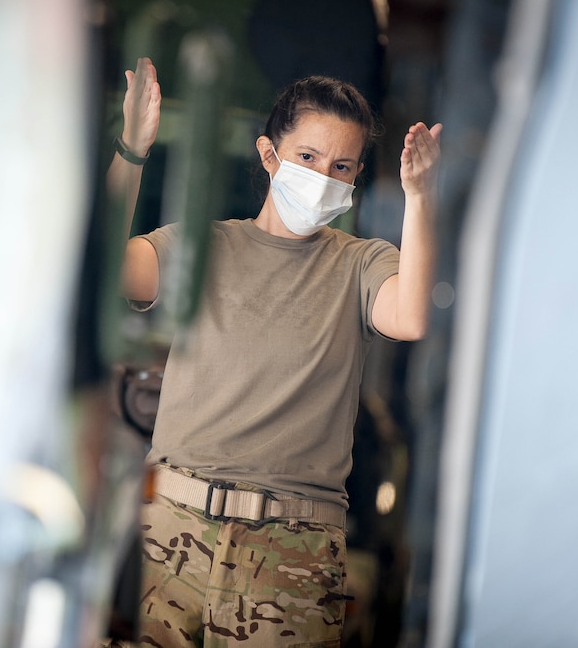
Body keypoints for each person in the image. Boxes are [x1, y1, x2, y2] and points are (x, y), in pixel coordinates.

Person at [106, 56, 441, 646]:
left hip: (295, 549)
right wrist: (132, 151)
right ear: (269, 155)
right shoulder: (200, 246)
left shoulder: (362, 262)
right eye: (308, 158)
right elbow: (106, 268)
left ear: (356, 176)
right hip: (170, 529)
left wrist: (419, 198)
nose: (322, 177)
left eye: (341, 167)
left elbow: (411, 315)